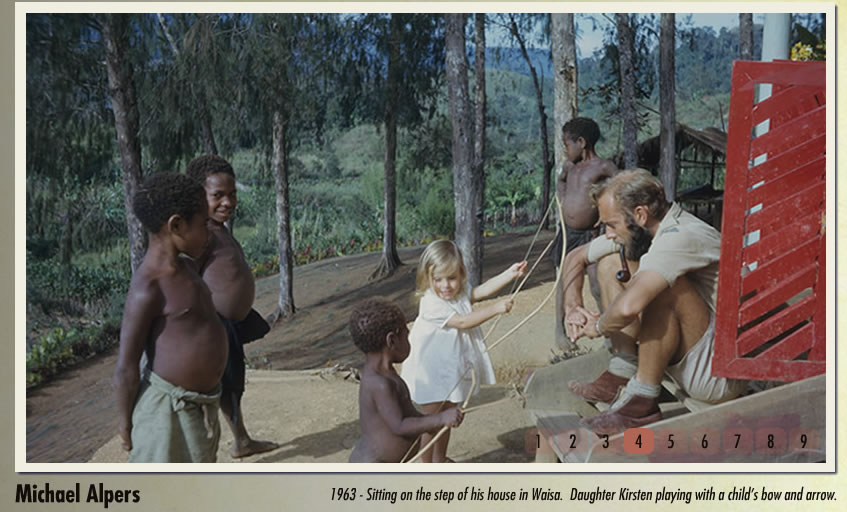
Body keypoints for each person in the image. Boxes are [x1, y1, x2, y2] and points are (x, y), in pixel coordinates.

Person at [563, 169, 747, 435]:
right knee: (610, 264)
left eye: (611, 224)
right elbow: (575, 258)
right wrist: (572, 309)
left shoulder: (678, 238)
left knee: (662, 287)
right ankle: (624, 369)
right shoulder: (645, 229)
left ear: (639, 214)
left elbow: (629, 307)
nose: (608, 234)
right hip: (699, 354)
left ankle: (642, 403)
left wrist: (598, 327)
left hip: (719, 375)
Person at [113, 172, 228, 462]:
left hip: (199, 407)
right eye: (204, 224)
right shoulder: (148, 287)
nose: (211, 231)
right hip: (165, 416)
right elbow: (126, 366)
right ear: (176, 225)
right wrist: (126, 426)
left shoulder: (187, 268)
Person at [186, 154, 278, 458]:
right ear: (200, 195)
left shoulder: (217, 229)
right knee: (220, 385)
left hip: (231, 324)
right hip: (214, 324)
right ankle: (223, 445)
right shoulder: (199, 234)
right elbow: (187, 277)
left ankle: (242, 439)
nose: (228, 202)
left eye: (232, 194)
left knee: (232, 383)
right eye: (218, 195)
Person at [401, 240, 527, 462]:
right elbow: (462, 322)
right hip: (431, 371)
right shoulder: (431, 302)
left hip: (449, 368)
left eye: (451, 278)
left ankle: (439, 460)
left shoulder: (458, 292)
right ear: (428, 279)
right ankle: (424, 465)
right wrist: (495, 309)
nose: (446, 285)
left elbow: (479, 291)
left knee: (448, 414)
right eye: (437, 279)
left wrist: (509, 274)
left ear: (461, 275)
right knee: (431, 420)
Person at [348, 297, 464, 463]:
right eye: (406, 335)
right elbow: (400, 425)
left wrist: (432, 423)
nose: (408, 341)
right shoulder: (380, 384)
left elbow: (407, 413)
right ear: (392, 340)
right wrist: (440, 418)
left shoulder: (385, 373)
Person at [553, 117, 619, 350]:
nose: (565, 148)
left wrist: (607, 216)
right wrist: (562, 200)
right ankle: (560, 332)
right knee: (566, 281)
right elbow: (560, 180)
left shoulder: (603, 167)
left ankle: (609, 331)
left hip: (590, 234)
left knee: (596, 283)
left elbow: (620, 187)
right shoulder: (570, 167)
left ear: (582, 142)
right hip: (567, 233)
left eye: (567, 143)